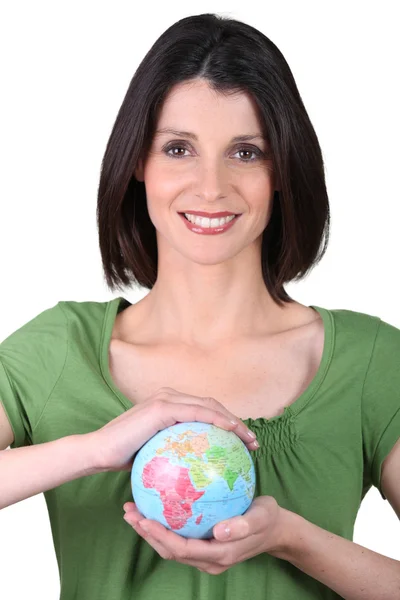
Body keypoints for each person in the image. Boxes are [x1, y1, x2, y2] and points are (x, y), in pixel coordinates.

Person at [0, 11, 399, 600]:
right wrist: (91, 450)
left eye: (245, 153)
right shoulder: (60, 348)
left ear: (283, 168)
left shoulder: (370, 361)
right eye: (179, 148)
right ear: (138, 162)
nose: (210, 187)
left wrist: (293, 538)